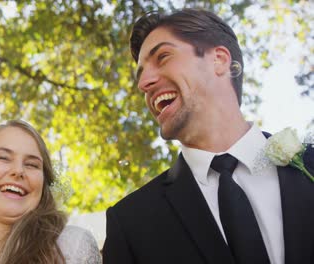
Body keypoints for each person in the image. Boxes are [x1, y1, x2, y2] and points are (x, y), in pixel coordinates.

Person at [102, 8, 314, 264]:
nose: (143, 83)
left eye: (163, 57)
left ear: (220, 60)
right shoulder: (130, 222)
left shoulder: (308, 164)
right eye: (140, 74)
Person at [0, 120, 101, 264]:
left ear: (44, 185)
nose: (18, 171)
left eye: (32, 165)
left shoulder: (70, 247)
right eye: (4, 158)